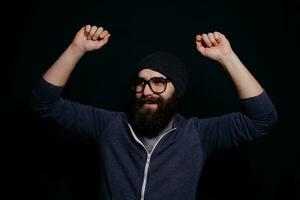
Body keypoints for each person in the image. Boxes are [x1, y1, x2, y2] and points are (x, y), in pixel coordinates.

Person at [30, 25, 278, 200]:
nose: (147, 90)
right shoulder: (109, 126)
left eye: (158, 82)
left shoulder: (198, 135)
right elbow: (43, 103)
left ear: (176, 90)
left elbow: (262, 118)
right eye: (140, 82)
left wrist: (227, 57)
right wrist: (76, 49)